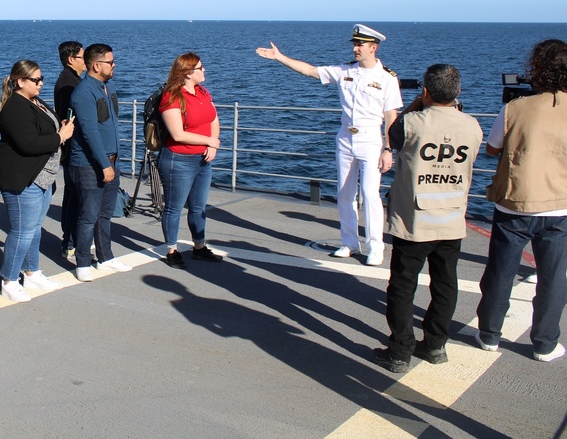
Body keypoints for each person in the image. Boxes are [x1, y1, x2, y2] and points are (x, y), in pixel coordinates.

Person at [255, 24, 402, 266]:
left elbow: (390, 117)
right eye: (355, 44)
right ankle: (350, 242)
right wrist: (279, 57)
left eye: (360, 45)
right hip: (345, 137)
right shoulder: (345, 71)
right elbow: (311, 71)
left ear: (373, 48)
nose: (356, 48)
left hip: (371, 140)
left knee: (370, 194)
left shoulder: (386, 78)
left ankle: (376, 247)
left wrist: (388, 149)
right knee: (345, 193)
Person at [371, 64, 482, 373]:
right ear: (458, 93)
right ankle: (435, 345)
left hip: (414, 221)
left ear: (425, 91)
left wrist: (418, 103)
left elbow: (393, 133)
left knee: (403, 286)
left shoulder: (411, 123)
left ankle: (400, 350)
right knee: (445, 283)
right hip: (452, 218)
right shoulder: (473, 126)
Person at [476, 39, 567, 363]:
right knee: (554, 277)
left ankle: (489, 333)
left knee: (501, 271)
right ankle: (544, 342)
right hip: (560, 204)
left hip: (515, 201)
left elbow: (492, 148)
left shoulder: (515, 108)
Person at [0, 60, 74, 301]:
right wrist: (60, 136)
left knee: (34, 228)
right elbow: (28, 143)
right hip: (22, 178)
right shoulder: (14, 107)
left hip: (42, 178)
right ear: (20, 81)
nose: (41, 83)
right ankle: (8, 279)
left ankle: (31, 272)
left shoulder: (35, 102)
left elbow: (40, 132)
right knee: (21, 231)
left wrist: (58, 128)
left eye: (41, 79)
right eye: (35, 80)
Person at [69, 43, 132, 282]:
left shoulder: (109, 86)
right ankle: (83, 261)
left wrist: (113, 160)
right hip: (89, 164)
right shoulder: (84, 93)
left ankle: (105, 256)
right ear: (96, 65)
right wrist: (104, 164)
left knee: (105, 213)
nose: (114, 66)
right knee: (88, 214)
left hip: (112, 160)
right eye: (110, 62)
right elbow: (89, 131)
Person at [156, 53, 222, 269]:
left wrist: (212, 144)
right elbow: (178, 134)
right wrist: (210, 141)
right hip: (179, 159)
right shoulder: (172, 97)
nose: (205, 71)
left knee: (198, 207)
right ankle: (172, 250)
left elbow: (213, 118)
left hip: (202, 159)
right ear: (187, 72)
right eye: (201, 68)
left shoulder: (203, 92)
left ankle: (199, 246)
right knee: (174, 208)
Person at [54, 41, 84, 258]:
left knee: (72, 195)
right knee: (74, 195)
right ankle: (70, 241)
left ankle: (70, 240)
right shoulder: (69, 83)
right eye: (83, 57)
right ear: (71, 59)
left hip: (71, 147)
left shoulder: (70, 80)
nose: (87, 61)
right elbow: (70, 117)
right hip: (74, 148)